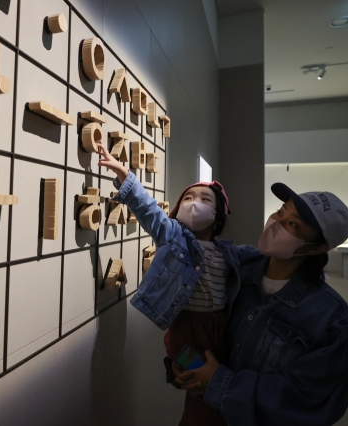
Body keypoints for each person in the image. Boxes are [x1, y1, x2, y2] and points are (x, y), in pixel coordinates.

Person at [172, 183, 348, 426]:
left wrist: (220, 382)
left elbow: (309, 402)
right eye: (281, 211)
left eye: (293, 224)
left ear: (318, 248)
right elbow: (201, 322)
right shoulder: (235, 267)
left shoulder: (332, 321)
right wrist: (181, 364)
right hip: (200, 415)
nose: (277, 222)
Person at [98, 141, 260, 425]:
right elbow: (148, 210)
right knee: (197, 391)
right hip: (187, 325)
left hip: (221, 325)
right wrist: (124, 173)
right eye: (188, 198)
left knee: (221, 384)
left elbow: (265, 262)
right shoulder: (174, 236)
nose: (195, 203)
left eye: (205, 199)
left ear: (218, 216)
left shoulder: (231, 253)